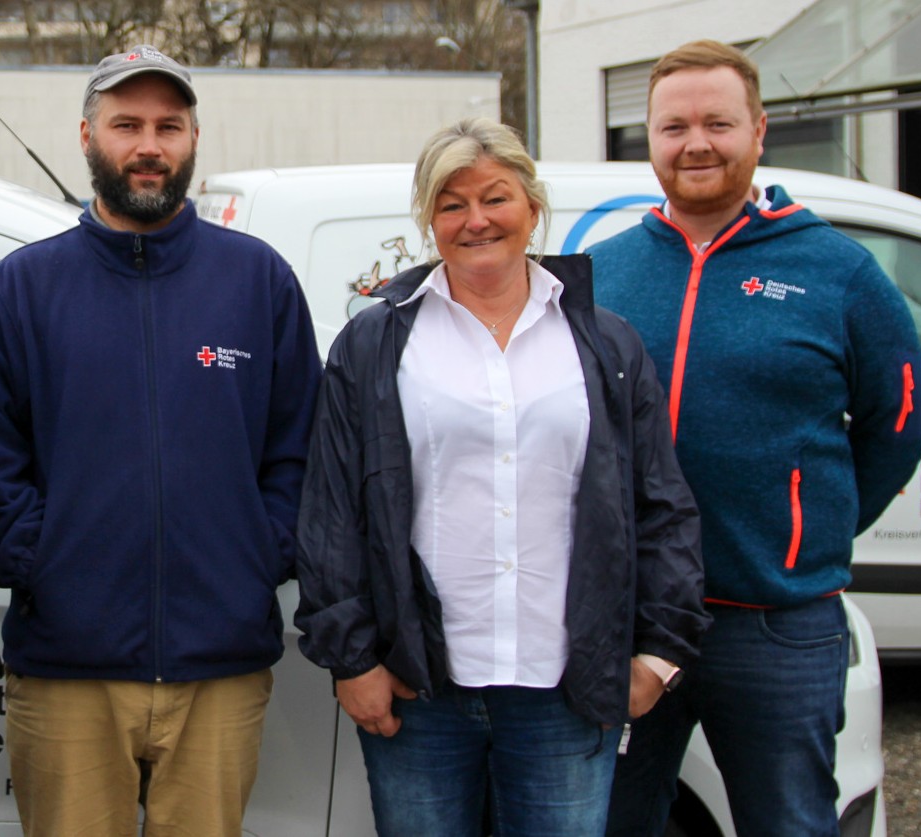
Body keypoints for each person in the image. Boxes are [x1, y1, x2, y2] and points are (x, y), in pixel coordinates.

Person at [293, 116, 709, 836]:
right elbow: (331, 512)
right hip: (420, 687)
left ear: (533, 206)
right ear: (429, 220)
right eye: (452, 204)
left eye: (496, 197)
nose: (476, 220)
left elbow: (662, 505)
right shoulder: (376, 341)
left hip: (567, 689)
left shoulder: (604, 343)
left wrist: (658, 655)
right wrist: (351, 659)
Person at [0, 44, 322, 836]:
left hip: (220, 668)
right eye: (126, 124)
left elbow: (300, 453)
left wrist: (256, 553)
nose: (148, 145)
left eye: (168, 125)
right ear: (87, 136)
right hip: (67, 672)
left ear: (193, 139)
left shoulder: (259, 283)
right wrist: (47, 559)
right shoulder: (23, 288)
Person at [595, 40, 921, 837]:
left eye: (718, 122)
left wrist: (809, 531)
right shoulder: (602, 270)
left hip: (776, 622)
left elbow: (897, 427)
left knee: (789, 824)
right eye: (674, 126)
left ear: (759, 130)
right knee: (610, 822)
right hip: (630, 616)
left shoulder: (838, 271)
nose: (696, 143)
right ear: (650, 136)